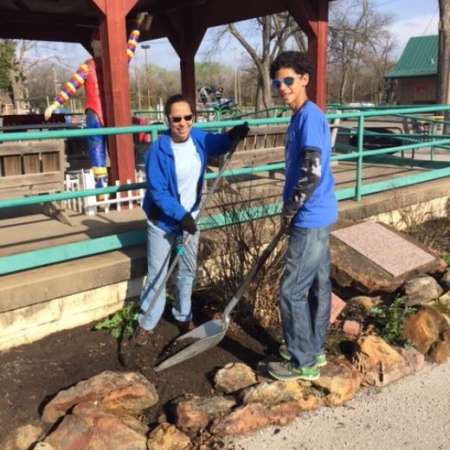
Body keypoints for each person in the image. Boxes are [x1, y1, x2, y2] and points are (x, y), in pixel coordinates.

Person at [133, 94, 249, 345]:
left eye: (188, 117)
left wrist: (233, 135)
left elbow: (216, 143)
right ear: (168, 120)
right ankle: (147, 322)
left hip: (190, 219)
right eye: (177, 119)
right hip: (163, 222)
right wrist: (180, 215)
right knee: (158, 274)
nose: (183, 123)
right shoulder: (158, 150)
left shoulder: (198, 138)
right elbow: (158, 191)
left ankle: (183, 316)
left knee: (186, 271)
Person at [267, 51, 338, 381]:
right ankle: (313, 348)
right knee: (316, 285)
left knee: (291, 290)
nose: (282, 87)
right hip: (318, 214)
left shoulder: (309, 117)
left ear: (304, 79)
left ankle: (302, 361)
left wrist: (290, 210)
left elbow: (312, 171)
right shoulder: (301, 117)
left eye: (289, 80)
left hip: (309, 217)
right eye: (278, 82)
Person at [44, 13, 151, 188]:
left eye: (100, 44)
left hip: (110, 111)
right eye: (95, 45)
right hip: (95, 112)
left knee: (117, 144)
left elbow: (130, 49)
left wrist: (137, 29)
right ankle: (101, 182)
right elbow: (71, 85)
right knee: (96, 145)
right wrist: (55, 103)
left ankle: (118, 180)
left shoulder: (115, 63)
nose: (97, 47)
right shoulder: (89, 66)